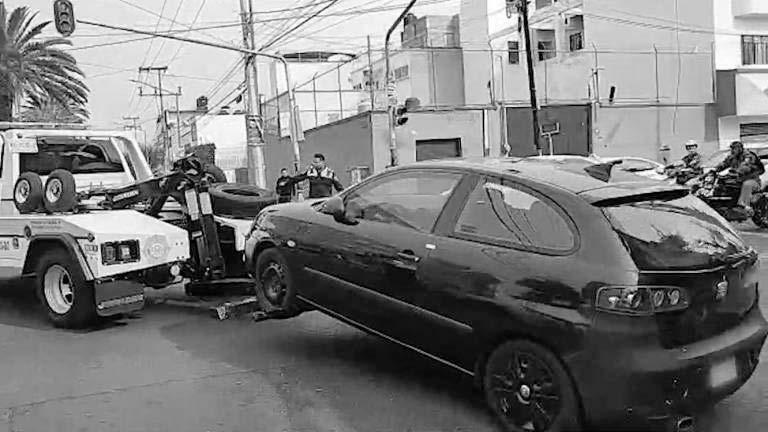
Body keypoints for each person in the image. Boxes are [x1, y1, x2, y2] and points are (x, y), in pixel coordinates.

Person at [713, 141, 765, 215]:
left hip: (752, 180)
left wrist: (737, 171)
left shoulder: (748, 156)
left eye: (734, 149)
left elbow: (745, 165)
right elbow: (724, 163)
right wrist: (714, 170)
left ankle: (744, 206)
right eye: (731, 149)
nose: (732, 151)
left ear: (740, 148)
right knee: (723, 184)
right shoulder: (732, 156)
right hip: (738, 179)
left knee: (746, 184)